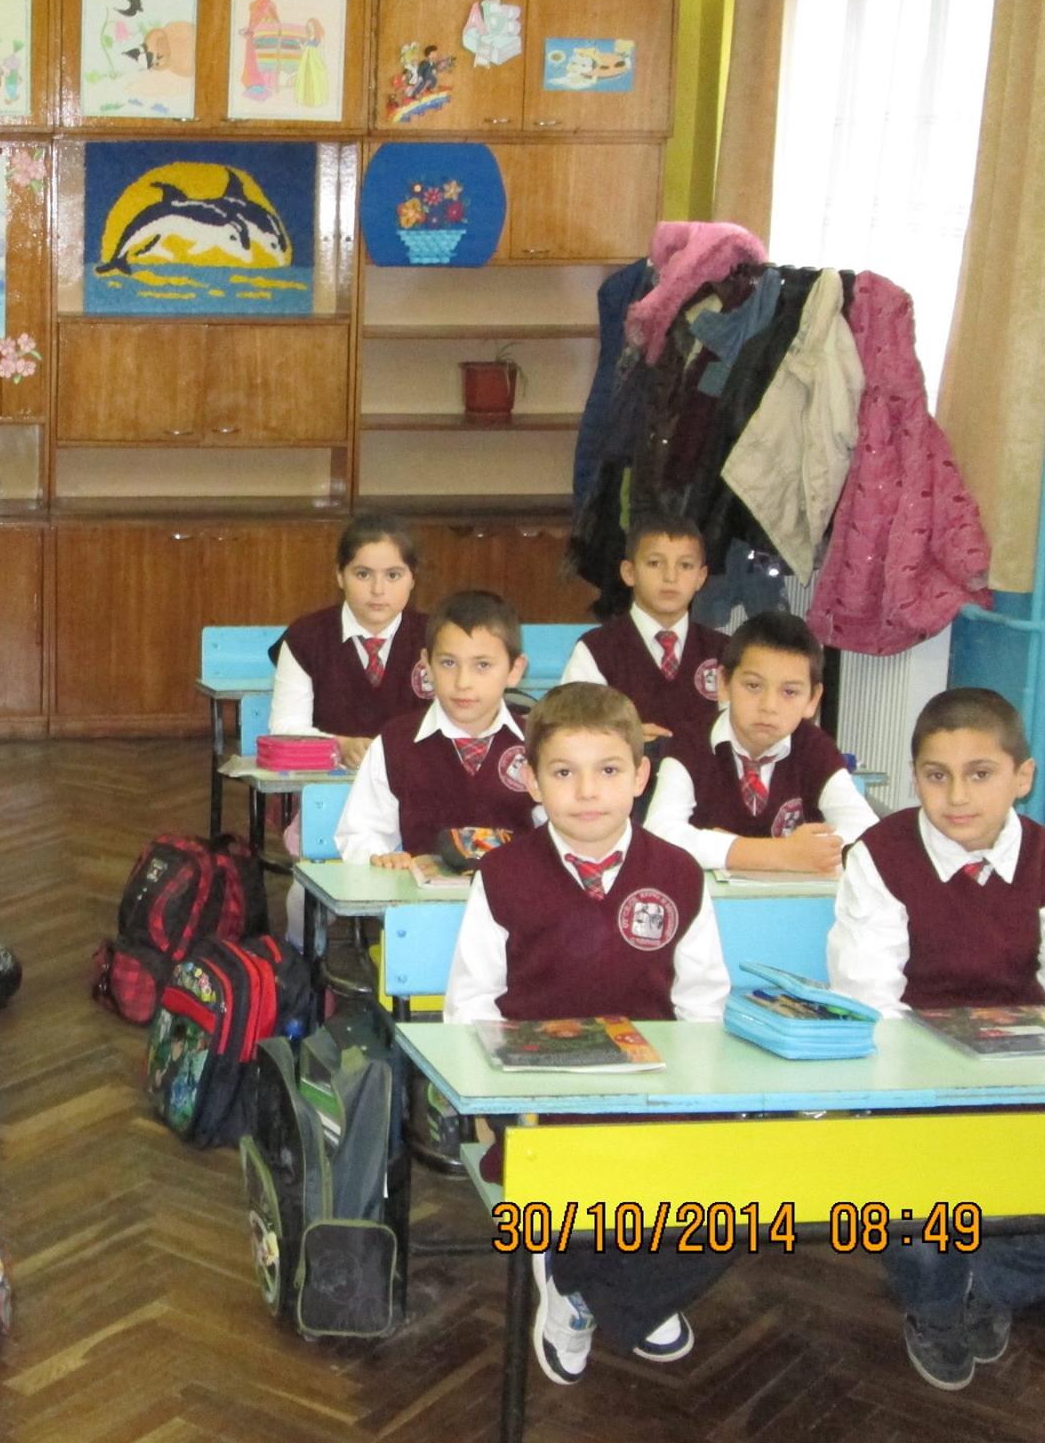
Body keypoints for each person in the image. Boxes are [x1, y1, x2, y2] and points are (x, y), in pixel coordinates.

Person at [827, 687, 1045, 1390]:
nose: (956, 796)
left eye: (980, 773)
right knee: (916, 1210)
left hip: (1029, 1079)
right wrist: (942, 1101)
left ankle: (983, 1288)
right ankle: (935, 1308)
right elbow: (869, 1003)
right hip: (911, 1084)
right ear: (915, 775)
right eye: (936, 775)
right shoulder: (881, 856)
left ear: (1022, 776)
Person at [446, 683, 732, 1386]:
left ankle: (593, 1285)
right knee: (577, 1174)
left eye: (607, 770)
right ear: (532, 781)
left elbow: (702, 1002)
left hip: (653, 1088)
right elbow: (471, 1002)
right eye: (563, 772)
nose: (586, 791)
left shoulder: (678, 873)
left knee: (734, 1193)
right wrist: (492, 1103)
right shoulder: (503, 873)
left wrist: (697, 1098)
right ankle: (606, 1291)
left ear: (640, 776)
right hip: (541, 1093)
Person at [644, 610, 876, 872]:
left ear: (812, 699)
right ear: (723, 683)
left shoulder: (815, 748)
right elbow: (659, 835)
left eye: (789, 692)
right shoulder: (690, 744)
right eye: (753, 686)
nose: (769, 706)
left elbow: (867, 834)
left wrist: (722, 848)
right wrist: (782, 854)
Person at [335, 590, 537, 868]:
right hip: (417, 893)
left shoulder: (538, 743)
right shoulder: (396, 742)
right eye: (448, 663)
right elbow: (361, 832)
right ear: (427, 665)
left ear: (514, 670)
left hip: (513, 892)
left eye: (482, 665)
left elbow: (561, 834)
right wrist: (382, 858)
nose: (463, 682)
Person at [268, 515, 430, 770]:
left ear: (412, 579)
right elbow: (286, 728)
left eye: (393, 575)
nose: (378, 590)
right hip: (324, 780)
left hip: (415, 780)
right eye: (363, 574)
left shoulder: (436, 637)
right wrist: (340, 746)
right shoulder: (305, 637)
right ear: (340, 576)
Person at [558, 513, 725, 748]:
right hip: (624, 770)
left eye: (685, 565)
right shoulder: (597, 650)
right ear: (629, 572)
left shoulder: (725, 651)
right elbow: (567, 728)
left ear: (701, 577)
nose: (670, 577)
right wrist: (621, 735)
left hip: (705, 771)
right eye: (655, 563)